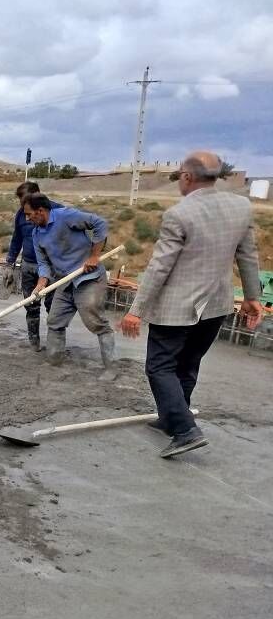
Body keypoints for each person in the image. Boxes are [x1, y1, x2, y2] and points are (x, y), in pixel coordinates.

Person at [119, 151, 263, 458]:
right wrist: (253, 297)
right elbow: (248, 255)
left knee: (160, 367)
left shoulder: (179, 214)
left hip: (176, 309)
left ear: (187, 177)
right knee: (188, 364)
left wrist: (136, 311)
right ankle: (173, 418)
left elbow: (160, 267)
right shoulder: (241, 206)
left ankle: (185, 430)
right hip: (215, 306)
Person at [24, 194, 116, 378]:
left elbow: (100, 224)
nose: (27, 218)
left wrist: (94, 255)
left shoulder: (66, 216)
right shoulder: (36, 234)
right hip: (65, 281)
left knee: (96, 322)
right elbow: (43, 263)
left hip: (88, 279)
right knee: (55, 321)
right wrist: (42, 282)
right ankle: (54, 361)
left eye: (29, 214)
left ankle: (110, 368)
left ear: (41, 211)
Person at [5, 182, 61, 351]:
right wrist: (10, 262)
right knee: (31, 306)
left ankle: (54, 345)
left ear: (37, 195)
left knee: (54, 307)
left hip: (52, 268)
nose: (23, 208)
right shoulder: (21, 215)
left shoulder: (57, 211)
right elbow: (17, 239)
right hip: (29, 265)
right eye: (21, 203)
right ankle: (34, 343)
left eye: (25, 202)